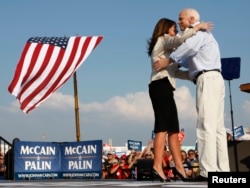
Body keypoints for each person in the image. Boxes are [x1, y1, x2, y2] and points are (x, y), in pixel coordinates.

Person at [154, 8, 230, 181]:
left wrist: (169, 59)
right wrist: (175, 64)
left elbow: (187, 48)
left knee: (205, 126)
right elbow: (188, 59)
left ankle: (208, 172)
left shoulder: (198, 34)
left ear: (192, 19)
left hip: (207, 79)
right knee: (217, 128)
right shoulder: (202, 35)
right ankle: (221, 172)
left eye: (181, 19)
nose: (179, 22)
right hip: (215, 78)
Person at [147, 17, 212, 182]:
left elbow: (175, 72)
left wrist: (195, 76)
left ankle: (179, 167)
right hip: (159, 86)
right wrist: (196, 28)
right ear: (165, 29)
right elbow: (181, 39)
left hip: (167, 87)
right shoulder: (162, 40)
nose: (176, 30)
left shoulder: (169, 50)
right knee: (161, 127)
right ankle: (156, 166)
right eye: (173, 27)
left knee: (174, 131)